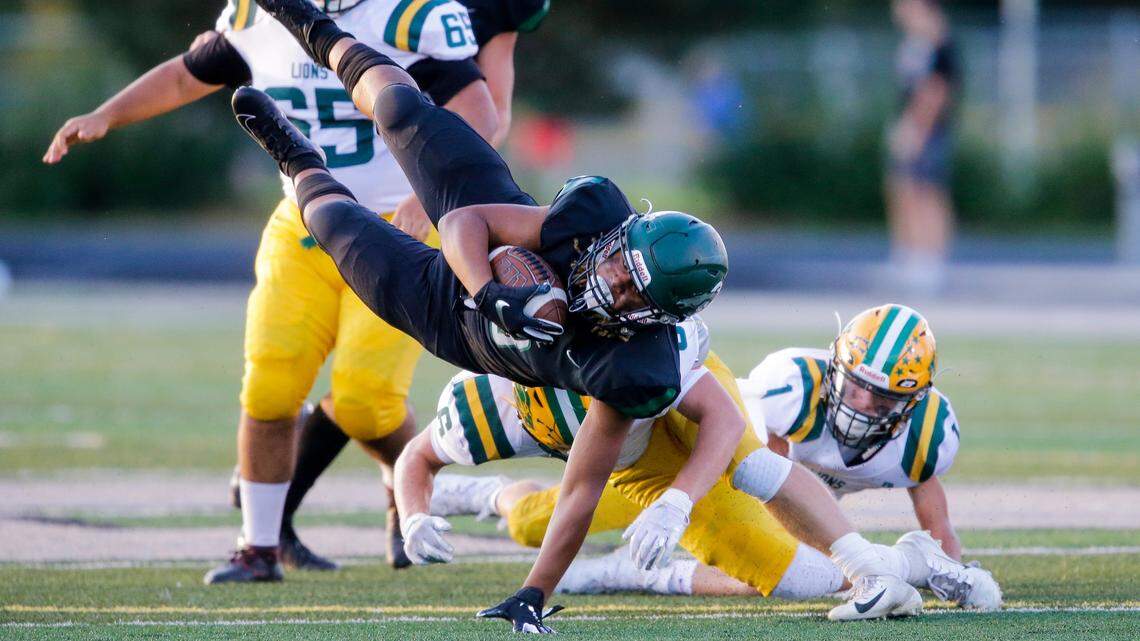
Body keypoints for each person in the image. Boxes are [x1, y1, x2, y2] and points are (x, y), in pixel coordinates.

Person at [233, 0, 927, 629]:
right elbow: (469, 219)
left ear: (656, 319)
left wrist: (535, 592)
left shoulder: (633, 366)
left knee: (337, 229)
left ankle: (296, 160)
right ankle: (312, 24)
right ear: (620, 237)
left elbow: (583, 487)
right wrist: (489, 287)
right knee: (400, 106)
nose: (613, 284)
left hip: (461, 329)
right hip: (489, 269)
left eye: (632, 294)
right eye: (621, 265)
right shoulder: (589, 219)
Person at [43, 0, 500, 582]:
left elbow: (478, 113)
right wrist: (107, 115)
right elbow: (187, 74)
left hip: (397, 231)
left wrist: (425, 194)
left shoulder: (408, 16)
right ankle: (258, 547)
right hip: (302, 226)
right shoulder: (257, 17)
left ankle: (405, 479)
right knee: (269, 386)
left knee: (366, 400)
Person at [250, 0, 550, 565]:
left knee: (369, 390)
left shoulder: (461, 14)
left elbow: (492, 118)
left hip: (436, 189)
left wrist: (428, 188)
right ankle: (278, 523)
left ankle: (398, 488)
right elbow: (222, 63)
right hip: (353, 176)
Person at [458, 304, 999, 610]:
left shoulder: (925, 438)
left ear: (913, 401)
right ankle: (481, 494)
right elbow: (757, 482)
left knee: (797, 571)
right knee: (532, 524)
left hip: (738, 483)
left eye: (880, 398)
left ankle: (628, 572)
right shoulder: (790, 386)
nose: (861, 404)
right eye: (855, 385)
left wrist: (948, 559)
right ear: (836, 366)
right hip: (696, 456)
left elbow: (929, 497)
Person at [886, 0, 960, 296]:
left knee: (927, 191)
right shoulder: (915, 43)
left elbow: (936, 91)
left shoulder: (938, 43)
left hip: (926, 128)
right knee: (903, 187)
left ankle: (931, 259)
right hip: (910, 123)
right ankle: (910, 252)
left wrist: (918, 129)